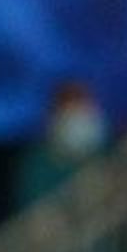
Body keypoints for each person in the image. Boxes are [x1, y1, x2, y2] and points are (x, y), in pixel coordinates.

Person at [14, 78, 109, 208]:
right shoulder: (40, 164)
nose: (80, 122)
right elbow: (37, 208)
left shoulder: (109, 149)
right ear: (56, 119)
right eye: (72, 114)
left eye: (85, 111)